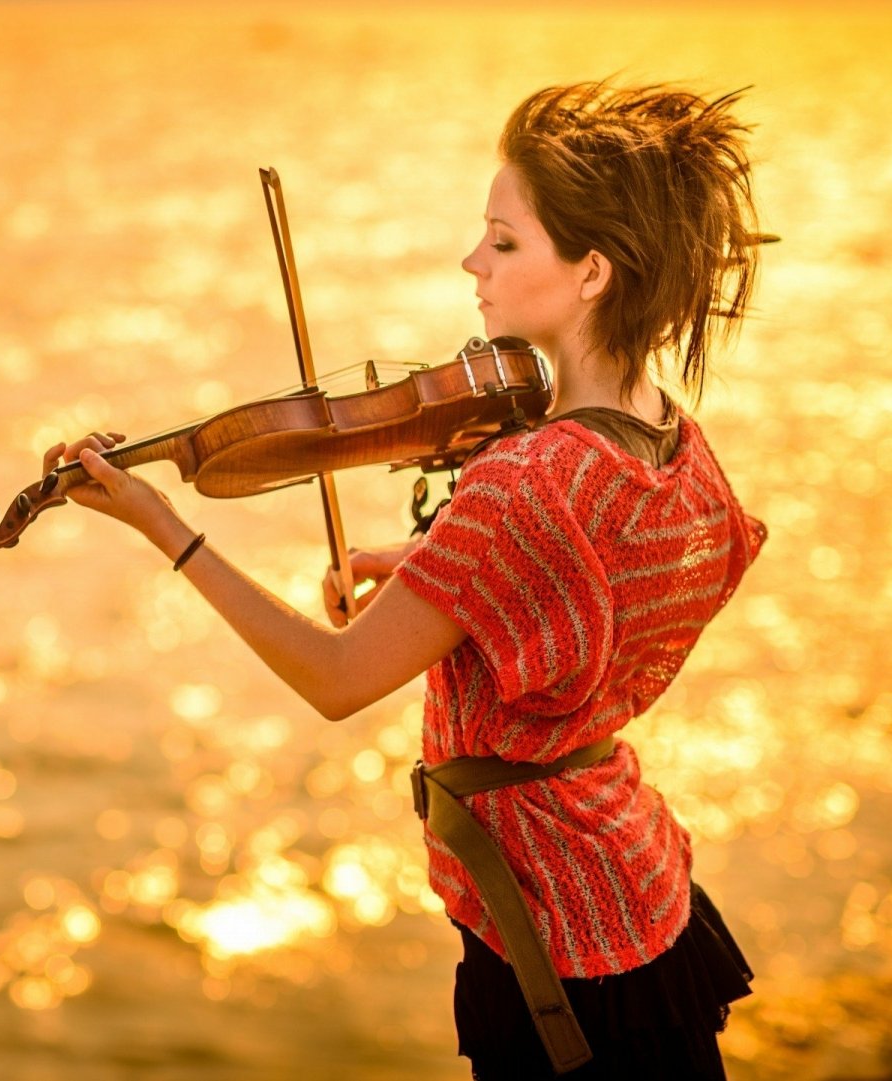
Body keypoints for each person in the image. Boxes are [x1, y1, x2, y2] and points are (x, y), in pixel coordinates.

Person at [42, 81, 770, 1078]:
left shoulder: (526, 478)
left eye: (504, 243)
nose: (473, 262)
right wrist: (435, 583)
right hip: (635, 887)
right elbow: (596, 599)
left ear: (592, 269)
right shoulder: (668, 435)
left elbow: (337, 680)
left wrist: (164, 526)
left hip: (557, 939)